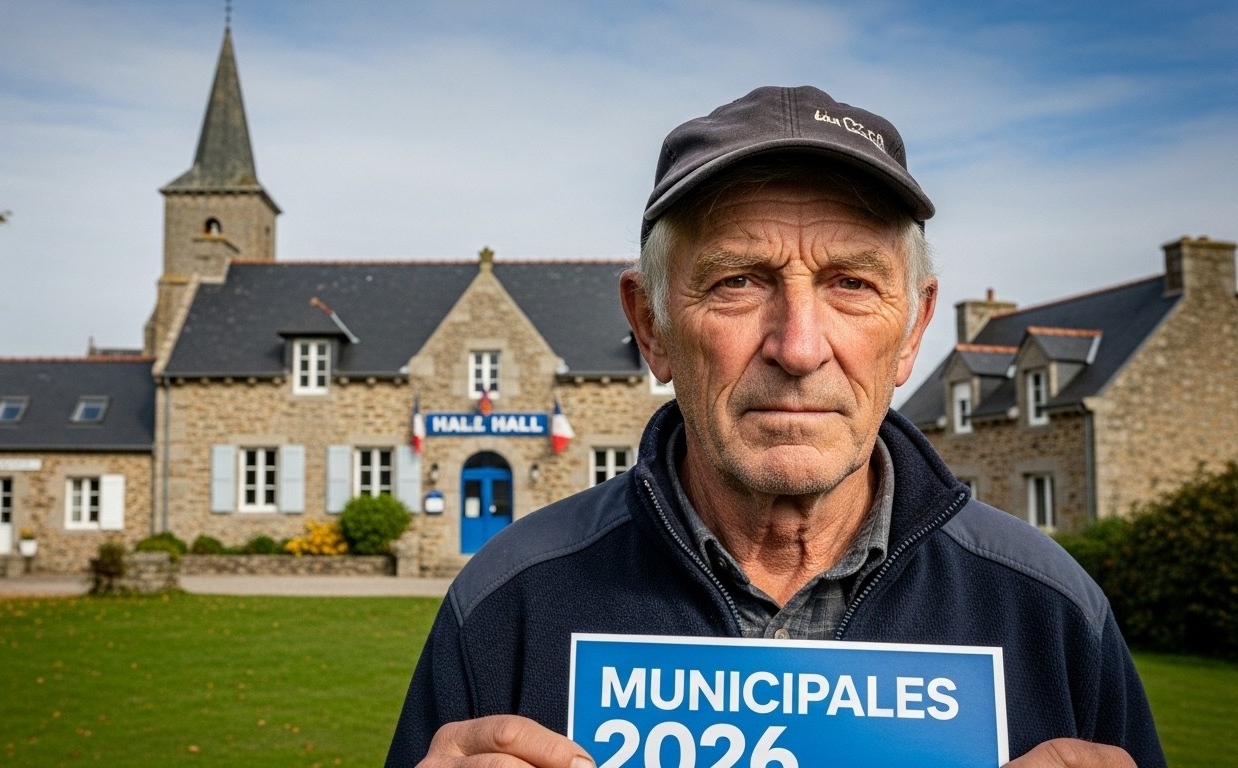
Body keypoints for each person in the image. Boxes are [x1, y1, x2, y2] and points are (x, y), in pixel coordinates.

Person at [385, 85, 1164, 768]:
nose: (798, 347)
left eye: (851, 283)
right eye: (738, 282)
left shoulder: (1051, 610)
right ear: (651, 326)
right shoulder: (507, 602)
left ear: (914, 330)